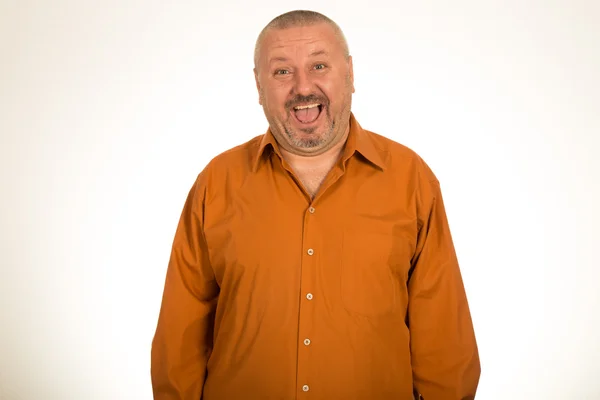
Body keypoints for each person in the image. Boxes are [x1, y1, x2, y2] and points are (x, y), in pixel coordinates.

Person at [151, 9, 480, 400]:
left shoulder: (410, 179)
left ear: (350, 74)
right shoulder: (216, 183)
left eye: (318, 65)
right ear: (259, 86)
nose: (302, 88)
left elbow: (443, 335)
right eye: (282, 72)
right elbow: (180, 334)